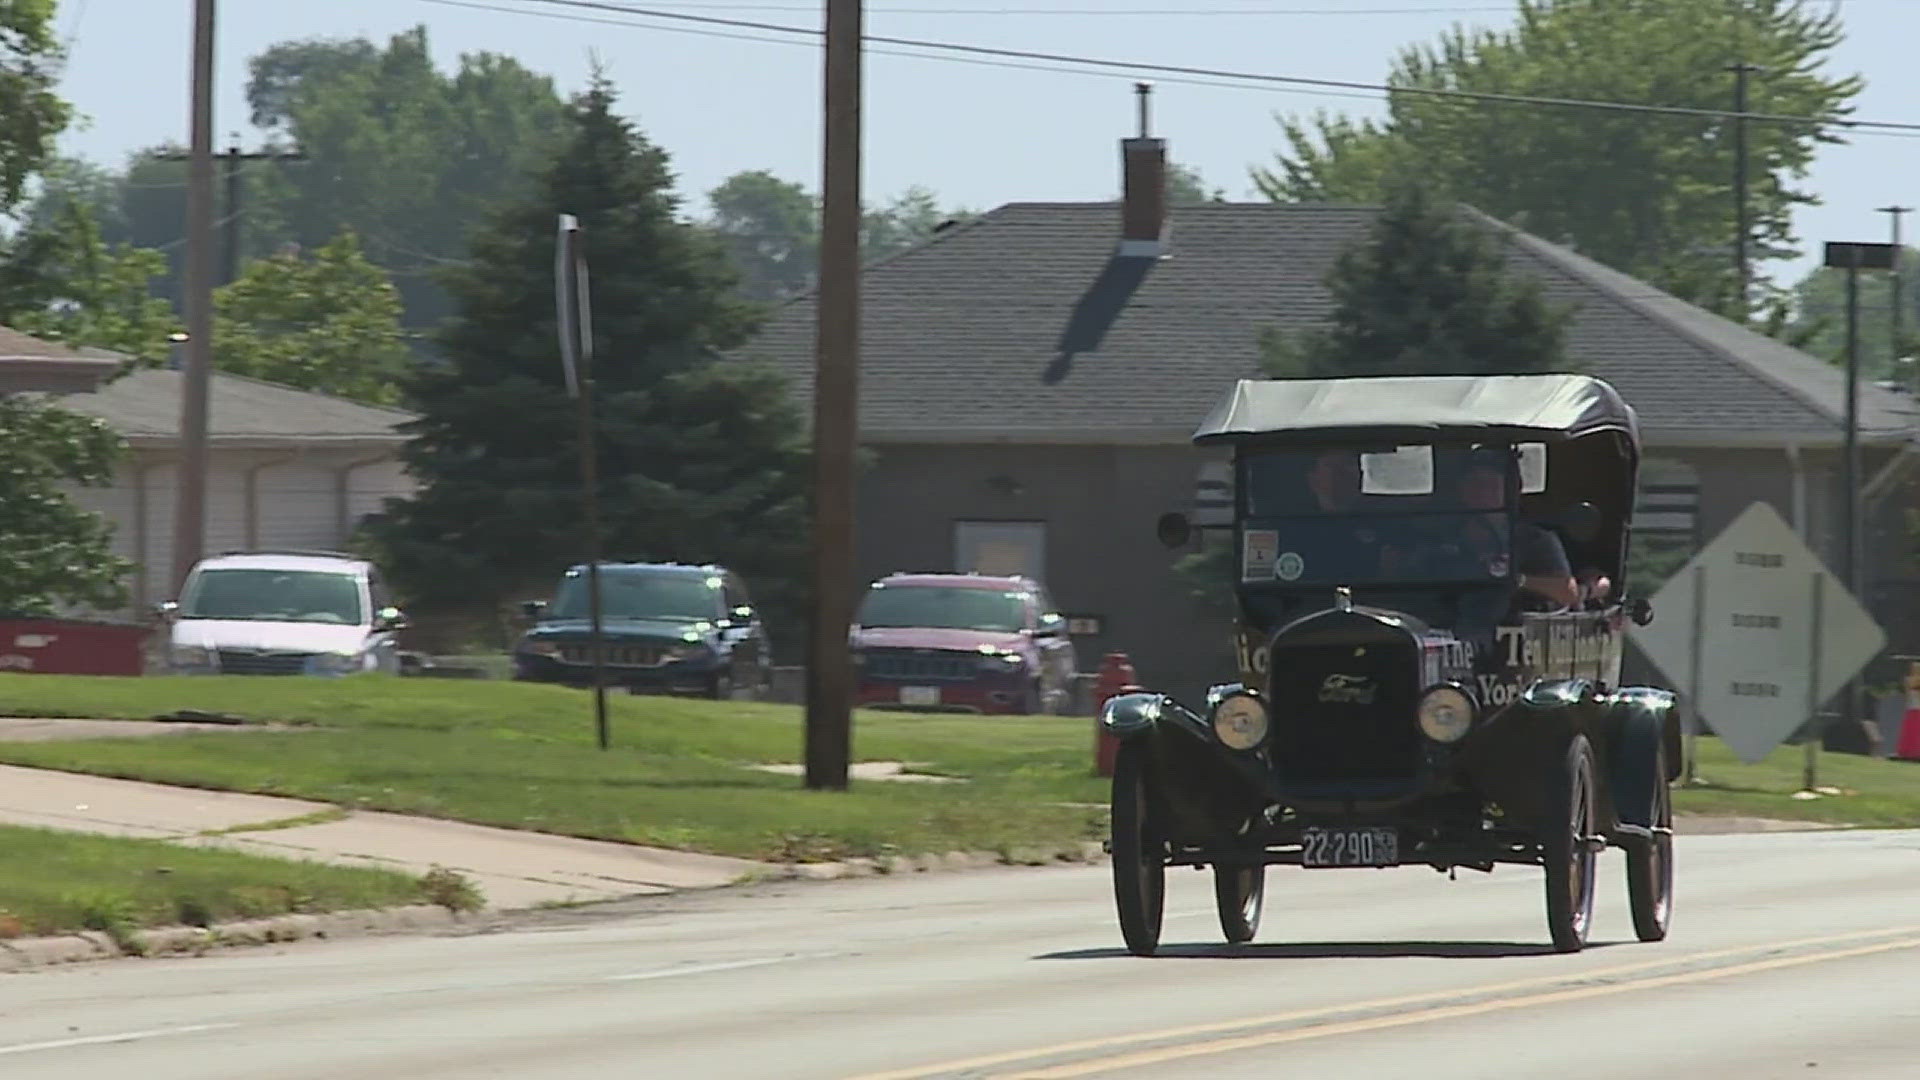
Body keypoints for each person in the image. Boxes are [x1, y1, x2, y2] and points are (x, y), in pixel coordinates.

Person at [1450, 448, 1580, 610]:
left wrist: (1518, 580)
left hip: (1514, 622)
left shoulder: (1535, 540)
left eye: (1492, 485)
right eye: (1475, 483)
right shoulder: (1444, 535)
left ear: (1510, 490)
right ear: (1462, 488)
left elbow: (1567, 592)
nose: (1483, 491)